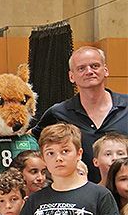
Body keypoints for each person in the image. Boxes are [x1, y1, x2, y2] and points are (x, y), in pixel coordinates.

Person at [31, 46, 128, 183]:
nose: (89, 71)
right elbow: (32, 140)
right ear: (71, 76)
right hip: (77, 196)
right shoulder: (58, 113)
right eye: (81, 68)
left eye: (95, 66)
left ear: (105, 70)